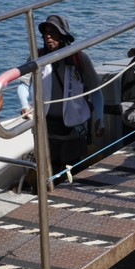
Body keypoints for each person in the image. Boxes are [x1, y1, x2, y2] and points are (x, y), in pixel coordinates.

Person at [18, 14, 104, 177]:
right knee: (49, 170)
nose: (48, 36)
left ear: (63, 34)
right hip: (46, 128)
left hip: (74, 129)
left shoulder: (79, 58)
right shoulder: (37, 58)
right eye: (45, 32)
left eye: (53, 32)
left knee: (74, 170)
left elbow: (96, 91)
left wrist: (100, 118)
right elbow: (23, 84)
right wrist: (24, 104)